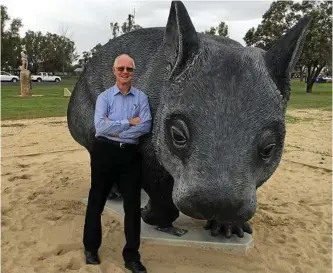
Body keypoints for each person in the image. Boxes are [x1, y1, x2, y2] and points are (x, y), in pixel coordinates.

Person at [83, 54, 152, 273]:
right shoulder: (104, 97)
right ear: (114, 71)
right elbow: (100, 128)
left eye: (129, 69)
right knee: (96, 201)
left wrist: (116, 126)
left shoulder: (141, 98)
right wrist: (129, 122)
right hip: (104, 153)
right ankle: (91, 248)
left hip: (130, 156)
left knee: (132, 208)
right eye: (121, 68)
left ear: (133, 72)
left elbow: (146, 126)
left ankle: (132, 256)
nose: (125, 72)